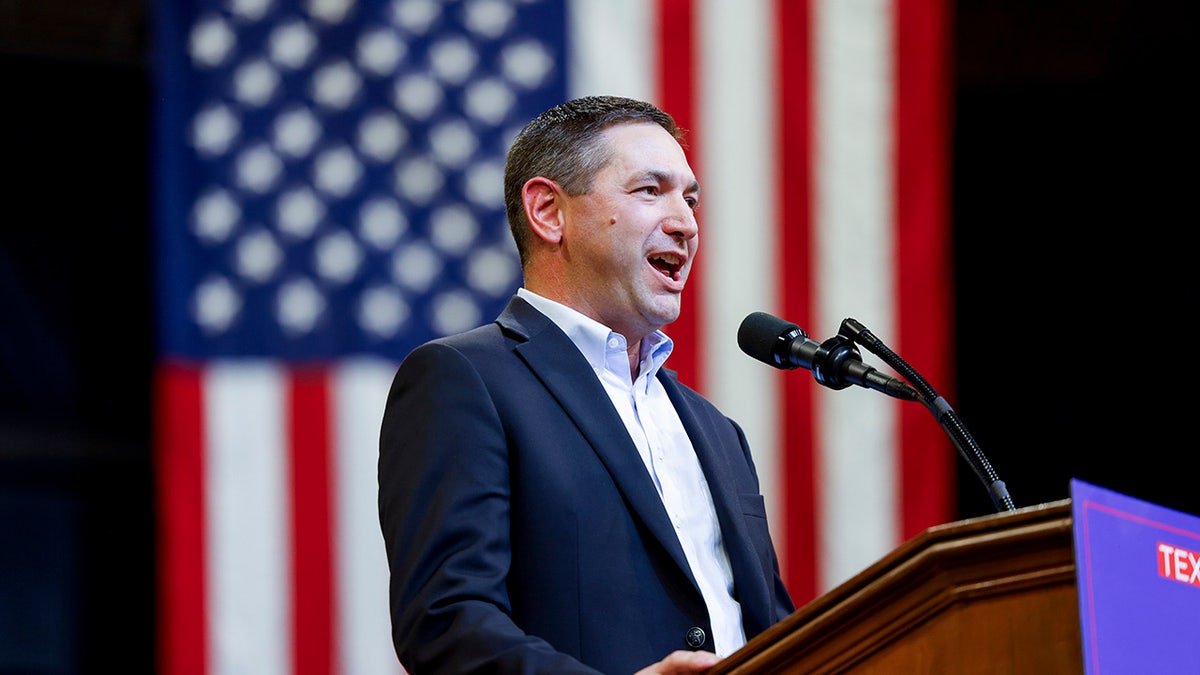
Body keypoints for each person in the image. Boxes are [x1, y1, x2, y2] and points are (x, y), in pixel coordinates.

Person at [378, 95, 795, 674]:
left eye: (691, 198)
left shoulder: (717, 431)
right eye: (650, 191)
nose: (687, 223)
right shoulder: (464, 381)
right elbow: (447, 622)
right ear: (549, 211)